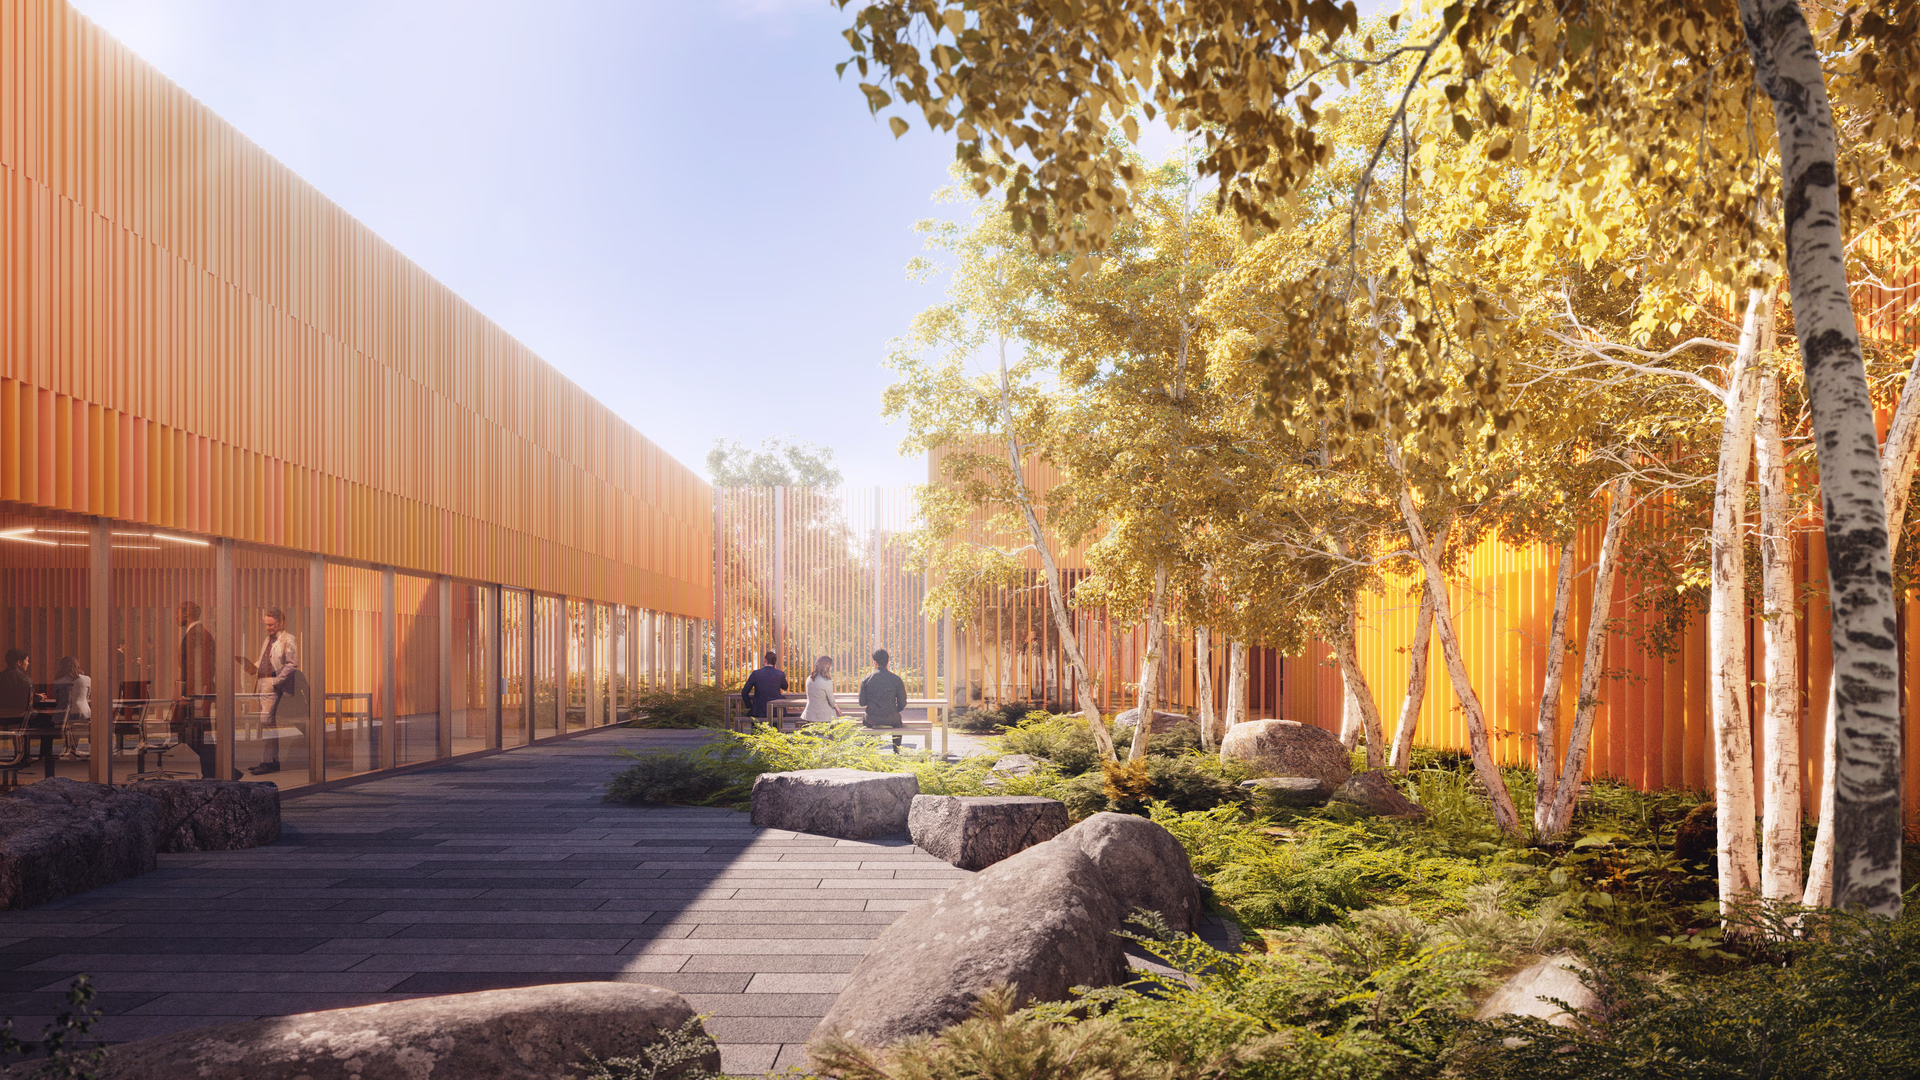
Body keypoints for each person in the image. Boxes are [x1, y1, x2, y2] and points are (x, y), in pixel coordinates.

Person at [237, 607, 298, 775]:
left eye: (271, 625)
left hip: (272, 684)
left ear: (281, 622)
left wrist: (275, 680)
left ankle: (268, 762)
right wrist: (252, 667)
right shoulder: (268, 639)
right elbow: (263, 660)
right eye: (266, 625)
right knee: (266, 723)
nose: (268, 628)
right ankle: (270, 760)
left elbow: (292, 664)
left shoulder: (289, 639)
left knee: (267, 721)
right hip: (262, 683)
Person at [173, 601, 221, 777]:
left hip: (197, 696)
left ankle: (216, 773)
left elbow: (199, 669)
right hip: (197, 694)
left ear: (188, 614)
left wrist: (190, 696)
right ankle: (216, 773)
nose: (176, 617)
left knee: (192, 735)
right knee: (197, 736)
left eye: (178, 613)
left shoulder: (197, 634)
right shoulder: (195, 633)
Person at [858, 649, 908, 728]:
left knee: (866, 721)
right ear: (887, 662)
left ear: (875, 662)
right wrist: (895, 710)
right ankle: (896, 740)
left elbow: (862, 702)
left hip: (872, 718)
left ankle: (871, 740)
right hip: (892, 717)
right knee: (898, 722)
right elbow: (902, 703)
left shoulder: (866, 680)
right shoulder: (896, 679)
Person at [740, 651, 788, 720]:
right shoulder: (780, 674)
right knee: (776, 729)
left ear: (765, 660)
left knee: (757, 729)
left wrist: (750, 706)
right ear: (774, 662)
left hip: (759, 711)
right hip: (776, 712)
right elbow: (785, 687)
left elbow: (744, 692)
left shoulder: (756, 674)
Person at [801, 655, 844, 725]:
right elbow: (832, 702)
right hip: (823, 716)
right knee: (840, 718)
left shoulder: (809, 678)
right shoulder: (826, 681)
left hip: (809, 714)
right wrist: (836, 707)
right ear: (827, 667)